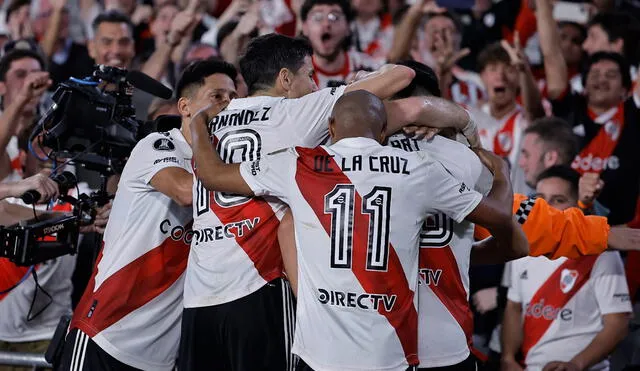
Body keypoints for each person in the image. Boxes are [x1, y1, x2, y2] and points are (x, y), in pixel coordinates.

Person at [179, 32, 476, 371]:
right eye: (309, 75)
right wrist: (367, 82)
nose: (316, 86)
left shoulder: (218, 115)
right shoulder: (297, 113)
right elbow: (404, 79)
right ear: (286, 79)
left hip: (200, 291)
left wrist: (199, 124)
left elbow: (210, 172)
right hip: (258, 286)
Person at [59, 59, 238, 371]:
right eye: (218, 96)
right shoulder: (156, 145)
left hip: (162, 357)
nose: (228, 106)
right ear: (185, 106)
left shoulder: (224, 165)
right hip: (105, 335)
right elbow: (185, 191)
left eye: (235, 98)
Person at [501, 165, 632, 371]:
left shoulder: (602, 254)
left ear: (576, 209)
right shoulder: (523, 250)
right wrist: (507, 359)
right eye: (539, 199)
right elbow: (513, 307)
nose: (545, 208)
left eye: (558, 200)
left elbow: (618, 324)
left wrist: (575, 365)